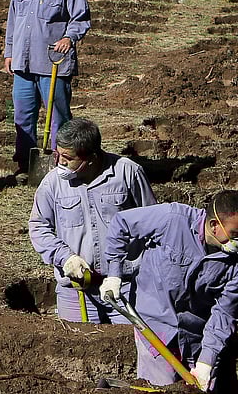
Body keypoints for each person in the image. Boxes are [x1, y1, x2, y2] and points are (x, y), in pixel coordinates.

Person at [102, 190, 238, 391]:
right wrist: (114, 274)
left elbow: (225, 313)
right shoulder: (172, 219)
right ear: (214, 225)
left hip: (197, 335)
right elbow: (121, 223)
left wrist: (205, 363)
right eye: (236, 235)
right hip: (154, 325)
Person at [28, 118, 157, 323]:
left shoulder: (128, 173)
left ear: (91, 157)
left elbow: (153, 223)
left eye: (67, 157)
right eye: (57, 154)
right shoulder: (52, 183)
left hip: (124, 287)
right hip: (76, 289)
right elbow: (38, 226)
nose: (60, 162)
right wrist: (65, 257)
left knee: (129, 347)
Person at [4, 0, 91, 174]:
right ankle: (25, 165)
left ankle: (60, 166)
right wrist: (9, 51)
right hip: (23, 61)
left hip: (54, 63)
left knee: (59, 119)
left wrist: (69, 37)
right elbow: (13, 17)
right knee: (22, 116)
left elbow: (81, 18)